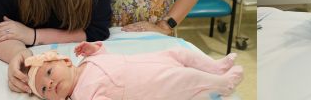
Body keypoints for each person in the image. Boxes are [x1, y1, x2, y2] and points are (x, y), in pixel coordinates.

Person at [23, 41, 244, 99]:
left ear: (66, 62)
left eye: (49, 73)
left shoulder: (85, 63)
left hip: (151, 59)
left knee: (179, 51)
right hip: (150, 83)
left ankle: (215, 66)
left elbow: (106, 56)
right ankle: (222, 84)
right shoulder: (83, 94)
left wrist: (95, 48)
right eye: (44, 90)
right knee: (185, 78)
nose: (49, 84)